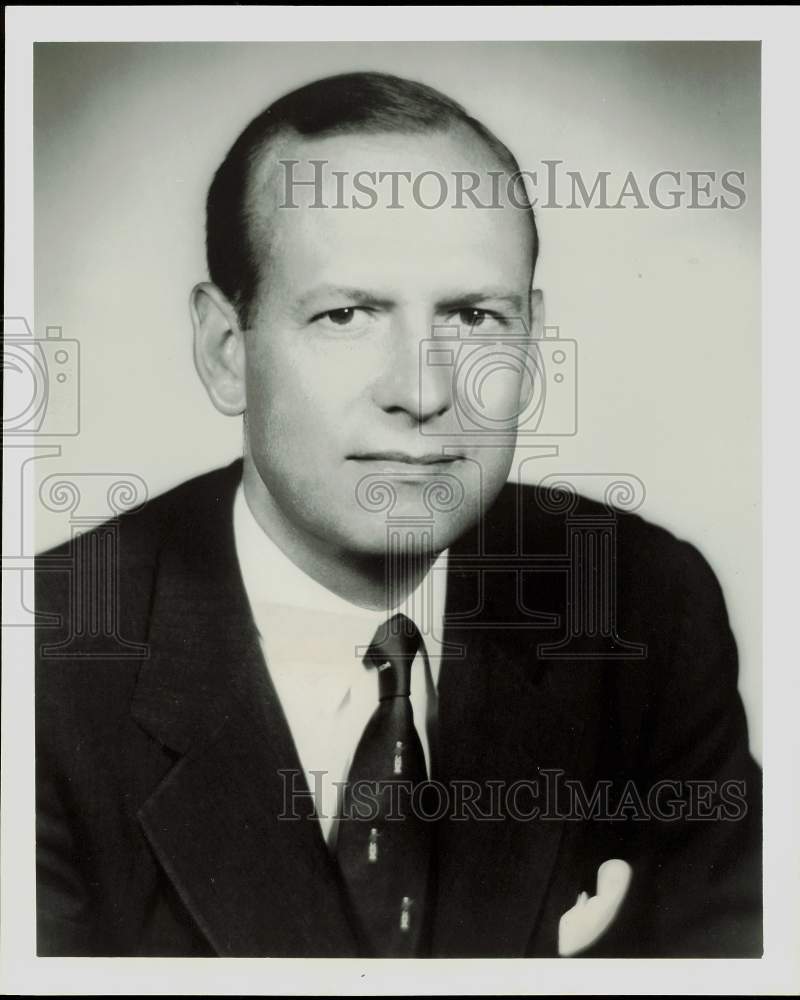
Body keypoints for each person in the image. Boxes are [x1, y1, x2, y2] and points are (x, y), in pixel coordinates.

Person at [35, 71, 762, 958]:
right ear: (226, 351)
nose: (423, 391)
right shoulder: (48, 661)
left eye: (473, 317)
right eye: (346, 314)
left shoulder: (647, 605)